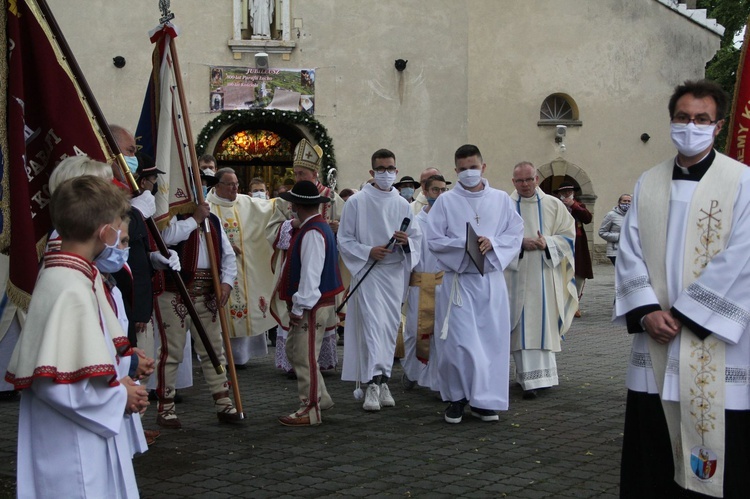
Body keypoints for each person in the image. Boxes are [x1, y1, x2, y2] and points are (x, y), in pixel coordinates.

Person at [615, 79, 750, 498]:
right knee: (652, 447)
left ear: (717, 125)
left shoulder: (742, 181)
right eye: (682, 117)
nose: (690, 125)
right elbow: (628, 249)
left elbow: (743, 255)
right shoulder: (649, 181)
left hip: (713, 337)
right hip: (654, 334)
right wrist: (646, 310)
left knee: (716, 449)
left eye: (701, 119)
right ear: (671, 121)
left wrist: (686, 313)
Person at [5, 176, 147, 498]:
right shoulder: (70, 286)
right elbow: (56, 385)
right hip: (70, 443)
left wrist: (117, 382)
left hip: (74, 432)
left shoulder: (71, 273)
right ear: (104, 231)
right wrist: (118, 398)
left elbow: (82, 358)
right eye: (118, 228)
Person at [425, 145, 524, 423]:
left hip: (489, 282)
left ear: (483, 167)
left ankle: (483, 401)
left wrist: (493, 243)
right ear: (455, 171)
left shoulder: (502, 199)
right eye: (463, 168)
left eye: (474, 166)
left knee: (490, 343)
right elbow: (433, 240)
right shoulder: (445, 202)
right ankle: (456, 398)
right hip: (458, 283)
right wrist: (465, 245)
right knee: (457, 343)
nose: (469, 172)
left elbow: (515, 234)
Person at [339, 148, 421, 411]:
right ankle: (372, 383)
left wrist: (406, 243)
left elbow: (417, 241)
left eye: (391, 169)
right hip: (368, 271)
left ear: (396, 171)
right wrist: (368, 251)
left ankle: (384, 380)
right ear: (372, 172)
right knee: (373, 327)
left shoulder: (403, 204)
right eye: (381, 169)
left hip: (394, 273)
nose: (387, 173)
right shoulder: (357, 202)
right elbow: (344, 239)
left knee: (388, 328)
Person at [154, 197, 242, 428]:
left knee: (214, 349)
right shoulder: (170, 216)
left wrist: (226, 282)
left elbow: (228, 254)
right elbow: (165, 239)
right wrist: (194, 220)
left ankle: (222, 399)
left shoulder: (212, 220)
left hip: (208, 292)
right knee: (171, 351)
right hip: (175, 292)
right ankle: (166, 405)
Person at [266, 139, 343, 376]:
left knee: (321, 313)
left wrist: (336, 228)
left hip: (325, 267)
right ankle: (296, 362)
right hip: (294, 264)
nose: (298, 177)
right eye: (296, 173)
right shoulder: (285, 199)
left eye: (302, 173)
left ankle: (316, 363)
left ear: (315, 172)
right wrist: (293, 224)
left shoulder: (332, 198)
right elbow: (271, 231)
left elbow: (348, 231)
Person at [505, 161, 577, 400]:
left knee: (543, 323)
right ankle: (527, 379)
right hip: (515, 275)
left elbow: (568, 236)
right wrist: (520, 244)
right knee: (522, 325)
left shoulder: (553, 205)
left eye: (529, 179)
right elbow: (495, 238)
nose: (525, 185)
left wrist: (549, 243)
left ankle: (545, 377)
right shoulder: (505, 205)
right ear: (513, 181)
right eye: (519, 181)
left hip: (546, 275)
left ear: (536, 179)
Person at [275, 181, 344, 426]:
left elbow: (310, 277)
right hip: (314, 303)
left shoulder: (312, 232)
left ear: (297, 205)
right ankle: (320, 397)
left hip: (312, 305)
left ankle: (311, 407)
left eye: (293, 202)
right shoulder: (314, 227)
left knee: (304, 355)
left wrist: (298, 307)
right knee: (296, 352)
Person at [207, 168, 277, 365]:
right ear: (218, 185)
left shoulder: (245, 202)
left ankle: (241, 358)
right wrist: (221, 247)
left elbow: (270, 207)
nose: (235, 188)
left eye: (237, 184)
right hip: (219, 271)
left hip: (245, 268)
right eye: (230, 184)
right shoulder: (207, 206)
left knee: (245, 308)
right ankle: (220, 358)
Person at [401, 174, 449, 392]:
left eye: (443, 190)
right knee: (414, 331)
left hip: (442, 284)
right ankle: (412, 372)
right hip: (419, 283)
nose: (439, 195)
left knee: (440, 333)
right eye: (435, 190)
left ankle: (437, 379)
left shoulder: (451, 220)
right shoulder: (416, 221)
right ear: (426, 192)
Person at [556, 184, 593, 317]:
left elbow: (587, 219)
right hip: (560, 244)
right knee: (561, 274)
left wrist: (573, 205)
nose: (566, 194)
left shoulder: (579, 206)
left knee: (578, 275)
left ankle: (575, 303)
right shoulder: (555, 206)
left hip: (578, 246)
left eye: (569, 192)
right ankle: (561, 304)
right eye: (564, 192)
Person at [598, 194, 631, 265]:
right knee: (622, 273)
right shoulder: (611, 215)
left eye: (629, 201)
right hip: (615, 251)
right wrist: (619, 236)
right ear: (619, 202)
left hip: (630, 250)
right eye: (624, 201)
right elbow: (602, 232)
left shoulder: (633, 216)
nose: (627, 203)